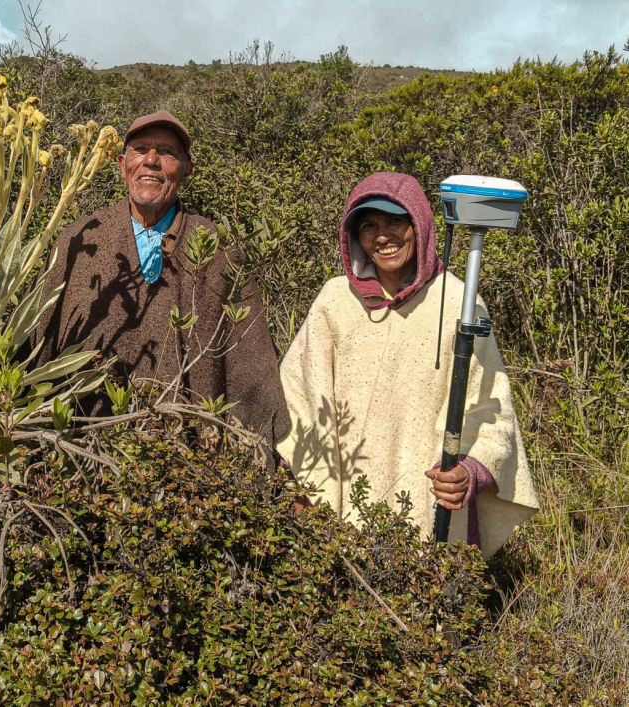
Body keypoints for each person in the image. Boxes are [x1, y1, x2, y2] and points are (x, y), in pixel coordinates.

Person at [276, 171, 539, 557]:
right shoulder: (334, 301)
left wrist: (468, 471)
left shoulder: (459, 302)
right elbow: (299, 395)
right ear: (354, 237)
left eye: (395, 221)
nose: (383, 236)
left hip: (427, 492)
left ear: (419, 224)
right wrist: (303, 481)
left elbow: (491, 409)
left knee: (427, 598)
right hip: (345, 491)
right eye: (369, 225)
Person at [32, 110, 290, 450]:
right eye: (140, 149)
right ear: (123, 163)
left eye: (166, 152)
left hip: (190, 459)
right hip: (84, 449)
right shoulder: (81, 238)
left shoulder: (216, 246)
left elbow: (249, 358)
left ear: (187, 168)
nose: (151, 160)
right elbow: (38, 341)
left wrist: (253, 448)